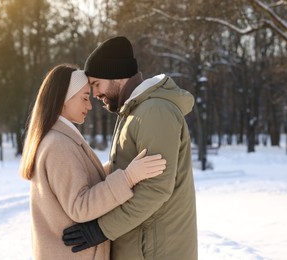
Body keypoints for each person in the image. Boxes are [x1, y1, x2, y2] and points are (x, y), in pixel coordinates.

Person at [62, 37, 198, 260]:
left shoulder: (155, 111)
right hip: (141, 248)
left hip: (156, 251)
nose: (95, 95)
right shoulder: (134, 113)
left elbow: (155, 190)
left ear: (116, 75)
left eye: (96, 84)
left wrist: (101, 230)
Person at [20, 63, 166, 260]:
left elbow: (84, 180)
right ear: (64, 98)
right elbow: (81, 206)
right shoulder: (58, 145)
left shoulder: (60, 139)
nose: (89, 105)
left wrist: (122, 165)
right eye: (84, 98)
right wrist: (129, 177)